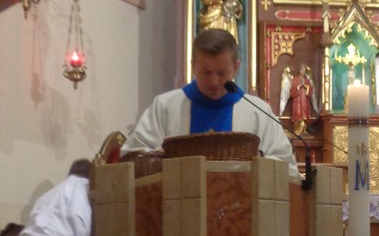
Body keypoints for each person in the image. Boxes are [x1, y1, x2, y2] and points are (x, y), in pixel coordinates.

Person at [121, 27, 297, 173]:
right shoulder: (165, 107)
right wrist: (161, 157)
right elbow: (132, 158)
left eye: (221, 73)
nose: (214, 82)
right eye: (206, 72)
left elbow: (287, 167)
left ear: (236, 67)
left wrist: (258, 161)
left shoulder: (258, 111)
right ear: (193, 65)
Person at [288, 63, 317, 133]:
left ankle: (304, 130)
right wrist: (298, 86)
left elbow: (311, 89)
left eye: (304, 70)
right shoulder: (295, 79)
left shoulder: (306, 80)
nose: (302, 71)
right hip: (297, 99)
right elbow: (292, 89)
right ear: (299, 70)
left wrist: (306, 87)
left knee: (304, 114)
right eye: (301, 70)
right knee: (298, 113)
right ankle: (296, 130)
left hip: (304, 99)